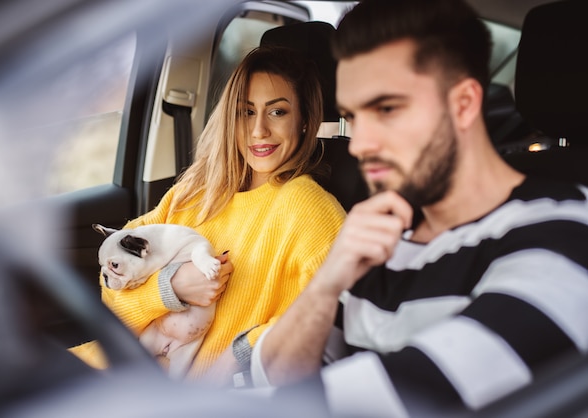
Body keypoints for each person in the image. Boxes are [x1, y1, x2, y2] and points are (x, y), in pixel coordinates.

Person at [249, 0, 588, 416]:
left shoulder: (565, 239)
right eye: (353, 116)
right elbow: (274, 374)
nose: (359, 145)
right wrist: (325, 284)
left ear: (463, 104)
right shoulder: (382, 239)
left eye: (387, 109)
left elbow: (398, 403)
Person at [70, 45, 346, 382]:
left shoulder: (312, 210)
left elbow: (318, 321)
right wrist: (170, 288)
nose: (258, 130)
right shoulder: (195, 192)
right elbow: (111, 293)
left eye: (277, 112)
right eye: (246, 112)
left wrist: (232, 360)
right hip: (107, 364)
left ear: (304, 121)